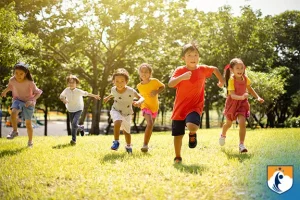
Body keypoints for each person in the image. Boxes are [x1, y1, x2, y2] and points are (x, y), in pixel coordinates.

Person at [168, 43, 224, 163]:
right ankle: (178, 156)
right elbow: (170, 84)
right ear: (183, 58)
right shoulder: (180, 70)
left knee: (192, 126)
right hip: (179, 108)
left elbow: (214, 69)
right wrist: (181, 77)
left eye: (195, 55)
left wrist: (222, 81)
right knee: (178, 135)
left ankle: (192, 133)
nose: (193, 58)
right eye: (189, 55)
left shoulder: (202, 69)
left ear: (198, 57)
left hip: (195, 106)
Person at [219, 58, 264, 152]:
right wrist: (242, 97)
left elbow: (250, 89)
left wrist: (258, 97)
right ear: (232, 70)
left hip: (242, 104)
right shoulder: (231, 80)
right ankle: (223, 134)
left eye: (241, 68)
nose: (240, 70)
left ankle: (241, 145)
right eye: (237, 68)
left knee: (242, 123)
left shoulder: (246, 79)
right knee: (228, 124)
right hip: (232, 103)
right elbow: (232, 95)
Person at [1, 62, 43, 147]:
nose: (18, 75)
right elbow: (10, 86)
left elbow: (38, 93)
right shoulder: (12, 80)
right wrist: (5, 91)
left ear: (25, 73)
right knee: (13, 113)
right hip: (18, 100)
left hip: (29, 102)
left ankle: (30, 141)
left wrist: (32, 100)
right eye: (16, 73)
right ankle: (15, 131)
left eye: (21, 74)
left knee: (28, 123)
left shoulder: (30, 82)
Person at [104, 68, 144, 154]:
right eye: (117, 81)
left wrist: (139, 102)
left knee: (127, 132)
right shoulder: (113, 89)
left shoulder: (130, 91)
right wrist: (108, 97)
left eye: (122, 81)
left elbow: (141, 97)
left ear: (126, 81)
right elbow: (113, 94)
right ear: (113, 81)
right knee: (117, 122)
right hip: (116, 110)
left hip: (127, 113)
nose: (119, 83)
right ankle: (116, 141)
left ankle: (128, 146)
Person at [59, 75, 100, 145]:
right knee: (73, 125)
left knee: (74, 123)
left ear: (76, 84)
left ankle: (73, 140)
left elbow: (87, 93)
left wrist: (95, 96)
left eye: (73, 82)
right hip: (70, 109)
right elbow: (61, 96)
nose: (71, 84)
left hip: (78, 108)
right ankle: (81, 128)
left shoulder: (78, 91)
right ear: (68, 83)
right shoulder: (66, 90)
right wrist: (64, 100)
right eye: (70, 82)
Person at [137, 63, 165, 152]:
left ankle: (146, 145)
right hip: (145, 106)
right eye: (142, 72)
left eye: (146, 72)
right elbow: (140, 97)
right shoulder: (139, 86)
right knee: (149, 123)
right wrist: (138, 102)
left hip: (154, 107)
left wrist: (156, 91)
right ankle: (144, 145)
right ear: (139, 73)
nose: (144, 74)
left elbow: (163, 86)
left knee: (150, 125)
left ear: (150, 73)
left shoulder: (154, 81)